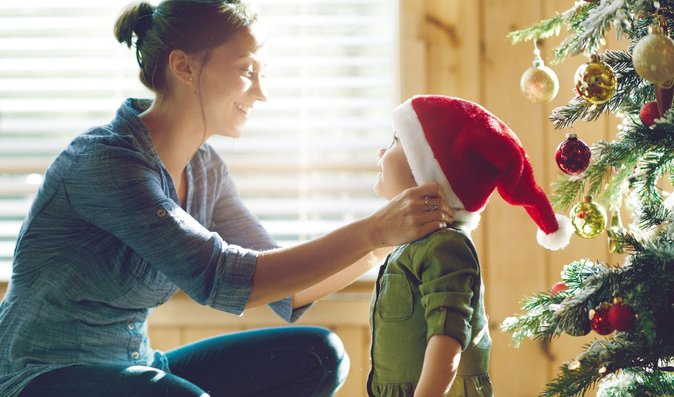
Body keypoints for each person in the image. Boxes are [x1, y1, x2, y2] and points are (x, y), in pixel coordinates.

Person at [0, 2, 453, 397]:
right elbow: (221, 276)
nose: (261, 92)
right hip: (41, 375)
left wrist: (385, 241)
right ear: (185, 67)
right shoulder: (108, 162)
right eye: (245, 71)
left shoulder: (204, 169)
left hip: (137, 366)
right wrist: (374, 227)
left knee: (320, 355)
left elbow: (287, 289)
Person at [367, 95, 574, 397]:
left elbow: (447, 338)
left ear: (429, 177)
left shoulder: (444, 245)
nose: (381, 150)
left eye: (396, 141)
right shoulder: (415, 245)